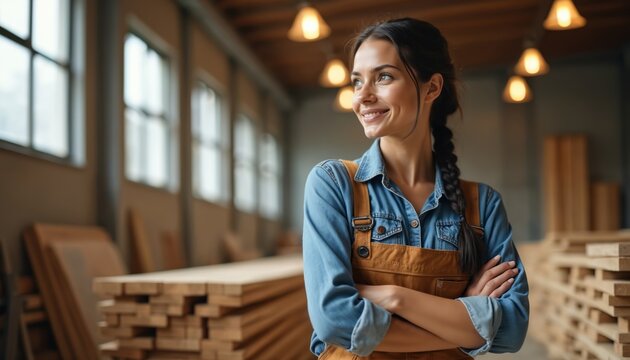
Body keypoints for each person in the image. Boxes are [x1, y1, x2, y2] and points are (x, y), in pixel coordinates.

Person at [302, 18, 529, 359]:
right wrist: (466, 321)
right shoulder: (333, 185)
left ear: (431, 88)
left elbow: (512, 330)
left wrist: (396, 297)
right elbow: (334, 319)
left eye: (383, 77)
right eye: (357, 81)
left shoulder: (483, 204)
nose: (362, 96)